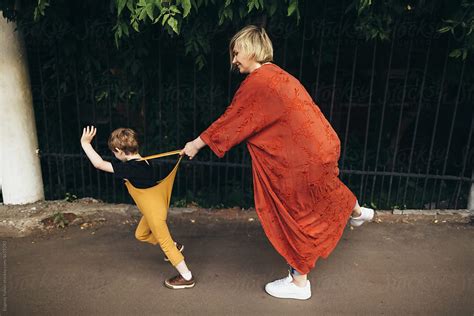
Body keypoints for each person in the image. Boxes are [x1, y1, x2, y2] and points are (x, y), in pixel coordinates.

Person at [180, 25, 374, 300]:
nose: (233, 60)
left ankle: (299, 283)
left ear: (250, 50)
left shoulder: (258, 82)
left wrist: (196, 144)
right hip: (321, 146)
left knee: (294, 214)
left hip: (298, 159)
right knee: (325, 189)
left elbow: (232, 121)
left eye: (236, 53)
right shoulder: (280, 76)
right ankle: (357, 212)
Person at [80, 126, 195, 289]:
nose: (114, 155)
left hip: (154, 211)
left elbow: (99, 164)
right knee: (140, 234)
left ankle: (187, 276)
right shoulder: (144, 161)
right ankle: (176, 247)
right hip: (155, 207)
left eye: (114, 152)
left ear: (119, 150)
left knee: (165, 243)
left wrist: (85, 144)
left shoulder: (130, 169)